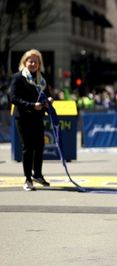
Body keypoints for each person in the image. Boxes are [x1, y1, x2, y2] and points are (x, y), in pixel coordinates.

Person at [9, 49, 52, 191]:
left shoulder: (42, 78)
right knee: (27, 148)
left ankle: (37, 175)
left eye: (36, 61)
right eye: (30, 61)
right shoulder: (18, 77)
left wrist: (49, 100)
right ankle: (28, 179)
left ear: (39, 64)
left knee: (39, 146)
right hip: (23, 116)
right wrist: (33, 106)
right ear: (25, 62)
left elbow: (47, 94)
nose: (33, 63)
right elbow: (13, 98)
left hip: (37, 117)